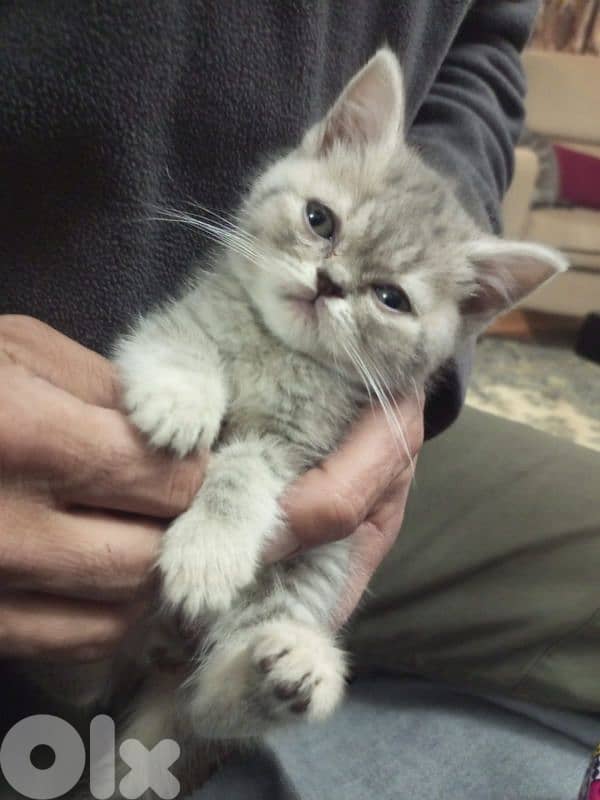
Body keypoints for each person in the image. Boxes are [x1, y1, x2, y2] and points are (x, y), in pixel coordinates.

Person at [0, 2, 598, 798]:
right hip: (40, 416)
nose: (331, 278)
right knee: (73, 715)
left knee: (299, 591)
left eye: (389, 296)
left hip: (317, 481)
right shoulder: (228, 292)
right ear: (317, 151)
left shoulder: (377, 363)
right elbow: (172, 356)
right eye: (320, 221)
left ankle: (235, 689)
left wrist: (412, 404)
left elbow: (484, 49)